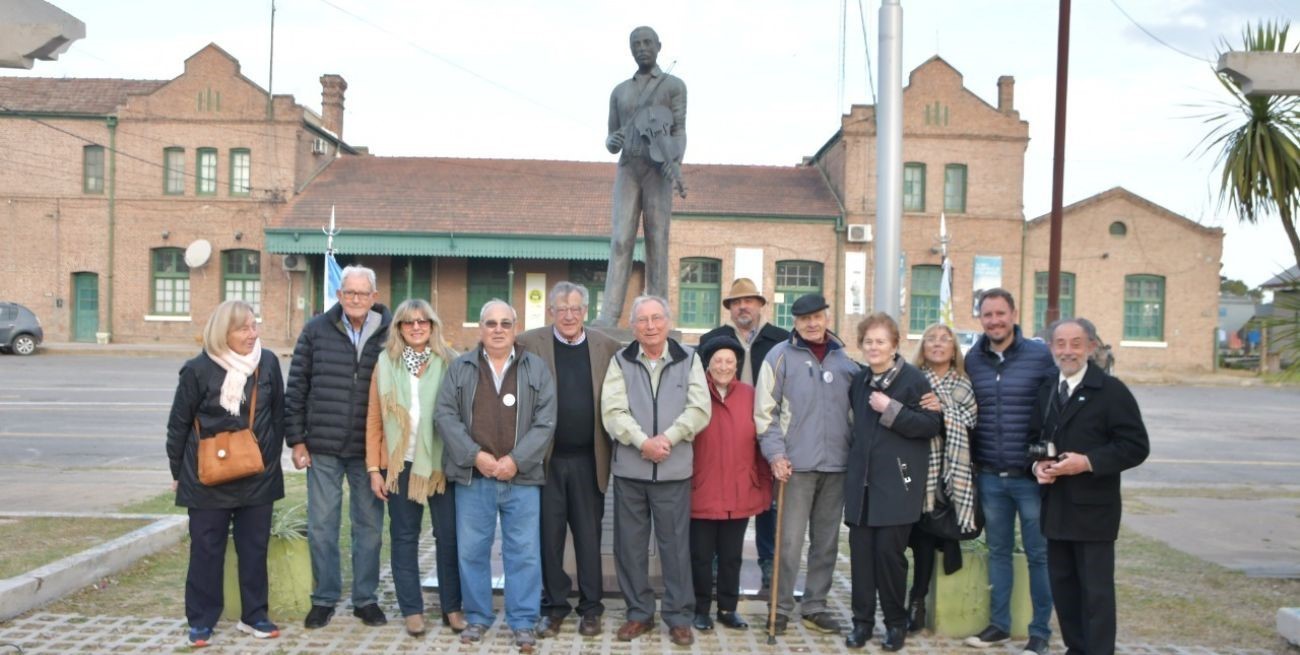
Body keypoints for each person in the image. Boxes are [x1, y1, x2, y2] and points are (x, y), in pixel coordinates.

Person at [435, 300, 556, 653]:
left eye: (505, 323)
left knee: (524, 553)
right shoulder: (460, 368)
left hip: (522, 478)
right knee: (472, 551)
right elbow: (445, 416)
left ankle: (522, 622)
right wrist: (477, 457)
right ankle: (478, 616)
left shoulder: (536, 368)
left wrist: (517, 461)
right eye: (491, 323)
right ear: (481, 329)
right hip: (475, 479)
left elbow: (546, 420)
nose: (498, 329)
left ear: (515, 327)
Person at [166, 300, 285, 648]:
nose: (253, 334)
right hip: (206, 476)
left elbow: (278, 414)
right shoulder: (198, 369)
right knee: (206, 549)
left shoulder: (268, 364)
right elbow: (178, 425)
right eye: (244, 328)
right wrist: (178, 470)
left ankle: (255, 616)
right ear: (224, 333)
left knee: (254, 548)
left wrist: (268, 458)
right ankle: (201, 620)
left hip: (256, 475)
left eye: (255, 325)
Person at [1031, 318, 1149, 655]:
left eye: (1076, 343)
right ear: (1052, 347)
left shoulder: (1112, 392)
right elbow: (1034, 439)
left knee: (1095, 595)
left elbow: (1135, 446)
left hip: (1094, 513)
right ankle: (1075, 648)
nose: (1068, 351)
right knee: (1065, 591)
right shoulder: (1046, 389)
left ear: (1091, 347)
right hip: (1056, 508)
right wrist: (1037, 465)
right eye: (1061, 343)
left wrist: (1087, 462)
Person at [286, 265, 392, 630]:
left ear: (374, 296)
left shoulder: (391, 334)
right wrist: (297, 439)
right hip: (324, 446)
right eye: (349, 293)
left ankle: (366, 599)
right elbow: (297, 387)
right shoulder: (316, 331)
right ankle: (324, 598)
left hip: (370, 453)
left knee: (369, 528)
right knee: (322, 525)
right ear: (339, 294)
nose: (356, 300)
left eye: (363, 294)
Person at [601, 295, 710, 647]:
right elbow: (613, 411)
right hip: (632, 469)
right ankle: (638, 613)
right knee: (629, 546)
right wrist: (641, 442)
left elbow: (699, 408)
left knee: (675, 547)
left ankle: (679, 617)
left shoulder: (689, 358)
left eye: (656, 318)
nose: (650, 326)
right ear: (633, 326)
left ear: (668, 321)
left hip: (674, 470)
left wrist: (668, 438)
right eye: (643, 320)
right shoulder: (621, 360)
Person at [516, 282, 621, 638]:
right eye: (562, 309)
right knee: (550, 538)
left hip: (590, 460)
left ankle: (591, 608)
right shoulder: (529, 343)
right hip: (547, 461)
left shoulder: (605, 346)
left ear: (586, 311)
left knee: (589, 538)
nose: (569, 316)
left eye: (576, 309)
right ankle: (554, 606)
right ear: (551, 313)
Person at [754, 293, 860, 635]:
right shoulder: (779, 357)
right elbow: (764, 415)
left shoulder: (846, 362)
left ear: (826, 317)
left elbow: (857, 415)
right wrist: (776, 455)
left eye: (817, 317)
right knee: (789, 543)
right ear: (795, 322)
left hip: (836, 466)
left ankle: (815, 605)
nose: (812, 324)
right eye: (804, 319)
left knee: (827, 542)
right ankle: (781, 606)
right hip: (794, 467)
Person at [963, 288, 1056, 655]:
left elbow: (1056, 404)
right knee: (998, 551)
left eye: (1000, 314)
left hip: (1030, 477)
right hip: (990, 473)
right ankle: (999, 625)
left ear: (1014, 314)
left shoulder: (1039, 356)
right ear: (981, 319)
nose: (995, 321)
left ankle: (1039, 633)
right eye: (987, 315)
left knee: (1039, 554)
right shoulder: (973, 359)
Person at [843, 313, 943, 652]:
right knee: (860, 556)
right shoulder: (859, 380)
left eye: (881, 341)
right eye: (868, 341)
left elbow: (931, 425)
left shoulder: (913, 380)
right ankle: (861, 623)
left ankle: (895, 623)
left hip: (899, 483)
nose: (874, 347)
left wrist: (892, 410)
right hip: (862, 485)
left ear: (894, 345)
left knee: (889, 555)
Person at [364, 299, 464, 637]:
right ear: (399, 328)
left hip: (440, 465)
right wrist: (374, 469)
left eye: (423, 322)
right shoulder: (385, 363)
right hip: (399, 464)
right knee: (404, 538)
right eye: (409, 322)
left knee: (447, 537)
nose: (416, 327)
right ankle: (412, 610)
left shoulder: (450, 362)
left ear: (433, 326)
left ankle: (452, 607)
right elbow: (375, 419)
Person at [699, 277, 789, 589]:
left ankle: (767, 558)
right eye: (736, 302)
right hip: (725, 424)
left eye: (749, 301)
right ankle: (713, 560)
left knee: (765, 497)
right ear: (729, 309)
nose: (743, 306)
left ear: (761, 305)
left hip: (765, 426)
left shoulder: (780, 341)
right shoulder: (713, 339)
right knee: (722, 495)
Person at [597, 26, 687, 325]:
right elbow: (611, 137)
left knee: (657, 239)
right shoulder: (619, 91)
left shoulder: (674, 85)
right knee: (621, 239)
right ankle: (609, 315)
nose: (642, 48)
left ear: (659, 46)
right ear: (630, 49)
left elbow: (679, 130)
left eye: (647, 42)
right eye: (636, 44)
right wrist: (611, 142)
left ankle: (658, 312)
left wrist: (673, 158)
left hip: (658, 168)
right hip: (628, 166)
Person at [688, 336, 772, 632]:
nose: (723, 367)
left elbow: (762, 438)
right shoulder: (695, 395)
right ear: (707, 365)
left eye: (729, 361)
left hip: (739, 489)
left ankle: (727, 608)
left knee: (731, 556)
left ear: (737, 364)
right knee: (699, 556)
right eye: (717, 361)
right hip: (702, 489)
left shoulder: (750, 394)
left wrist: (762, 482)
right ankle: (700, 608)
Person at [910, 324, 980, 633]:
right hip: (910, 470)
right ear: (922, 347)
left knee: (927, 536)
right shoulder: (912, 380)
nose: (937, 344)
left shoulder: (963, 383)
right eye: (931, 339)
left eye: (945, 339)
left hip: (946, 475)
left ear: (954, 349)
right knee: (903, 536)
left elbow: (970, 421)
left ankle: (917, 602)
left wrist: (942, 410)